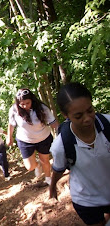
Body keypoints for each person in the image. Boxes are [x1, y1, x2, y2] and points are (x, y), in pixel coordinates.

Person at [49, 82, 110, 226]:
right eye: (78, 116)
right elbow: (59, 168)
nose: (87, 118)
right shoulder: (62, 145)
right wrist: (52, 186)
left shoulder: (107, 124)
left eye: (90, 110)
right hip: (86, 200)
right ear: (66, 115)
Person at [7, 88, 58, 186]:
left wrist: (60, 132)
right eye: (22, 104)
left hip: (43, 137)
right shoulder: (14, 109)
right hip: (25, 140)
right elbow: (11, 124)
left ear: (32, 100)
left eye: (27, 103)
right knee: (29, 167)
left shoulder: (42, 108)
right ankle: (37, 165)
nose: (25, 106)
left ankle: (48, 178)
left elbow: (53, 122)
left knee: (45, 160)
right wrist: (9, 137)